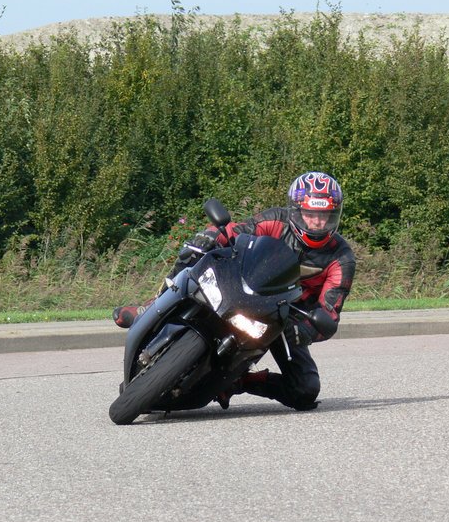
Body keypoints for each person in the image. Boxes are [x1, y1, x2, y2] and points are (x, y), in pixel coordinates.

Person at [112, 171, 356, 412]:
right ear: (296, 210)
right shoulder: (275, 220)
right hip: (241, 285)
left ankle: (238, 381)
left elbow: (329, 312)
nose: (317, 222)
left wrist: (304, 331)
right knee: (193, 255)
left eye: (325, 215)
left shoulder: (341, 258)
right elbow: (235, 232)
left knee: (305, 390)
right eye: (311, 213)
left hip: (284, 319)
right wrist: (209, 236)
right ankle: (151, 305)